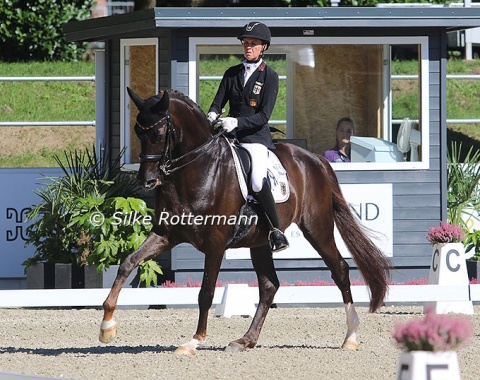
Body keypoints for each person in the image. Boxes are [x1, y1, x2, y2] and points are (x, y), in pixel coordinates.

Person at [206, 21, 289, 252]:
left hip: (255, 139)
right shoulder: (231, 73)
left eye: (253, 44)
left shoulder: (270, 76)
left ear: (264, 47)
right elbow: (217, 102)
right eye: (245, 43)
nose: (248, 47)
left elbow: (263, 116)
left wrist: (238, 122)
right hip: (229, 137)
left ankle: (276, 230)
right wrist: (213, 114)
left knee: (256, 180)